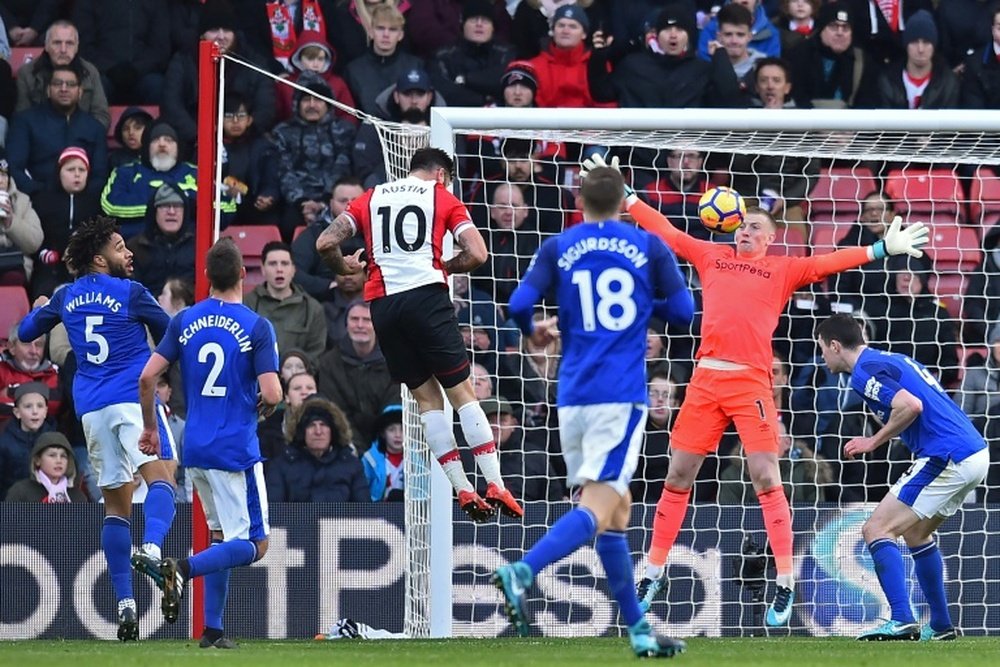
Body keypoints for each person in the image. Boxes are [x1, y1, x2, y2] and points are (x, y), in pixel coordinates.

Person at [579, 152, 930, 626]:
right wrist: (627, 196)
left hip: (751, 381)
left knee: (766, 476)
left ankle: (784, 579)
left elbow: (829, 262)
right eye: (742, 226)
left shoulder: (783, 269)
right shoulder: (713, 255)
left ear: (771, 237)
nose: (745, 231)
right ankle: (655, 570)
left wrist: (880, 250)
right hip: (705, 379)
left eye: (755, 227)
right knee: (678, 475)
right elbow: (668, 232)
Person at [492, 161, 693, 657]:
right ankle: (523, 570)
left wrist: (533, 330)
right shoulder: (647, 245)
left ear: (580, 203)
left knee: (614, 518)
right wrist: (648, 307)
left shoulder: (559, 246)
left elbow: (518, 304)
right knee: (597, 507)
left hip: (571, 397)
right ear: (626, 201)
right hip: (619, 397)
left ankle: (640, 631)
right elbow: (686, 313)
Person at [315, 146, 521, 521]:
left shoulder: (371, 198)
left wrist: (343, 268)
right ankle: (495, 484)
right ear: (442, 175)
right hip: (426, 297)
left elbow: (325, 242)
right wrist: (444, 264)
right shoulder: (442, 197)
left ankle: (461, 489)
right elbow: (477, 253)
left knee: (428, 403)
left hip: (384, 307)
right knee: (463, 394)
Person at [17, 214, 177, 642]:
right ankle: (155, 547)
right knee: (162, 482)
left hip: (92, 410)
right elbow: (170, 337)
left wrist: (40, 307)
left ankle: (125, 604)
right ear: (99, 259)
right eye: (119, 246)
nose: (128, 252)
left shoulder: (65, 296)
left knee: (115, 507)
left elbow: (27, 330)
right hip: (131, 400)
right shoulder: (131, 293)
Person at [133, 237, 282, 648]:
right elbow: (272, 394)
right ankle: (181, 568)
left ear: (205, 277)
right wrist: (263, 406)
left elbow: (147, 377)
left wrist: (150, 427)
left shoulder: (183, 321)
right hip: (235, 449)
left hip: (194, 447)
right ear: (242, 275)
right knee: (255, 543)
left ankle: (212, 631)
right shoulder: (256, 325)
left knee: (221, 536)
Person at [816, 313, 988, 641]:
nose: (822, 357)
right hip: (974, 453)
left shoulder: (863, 372)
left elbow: (910, 405)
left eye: (823, 348)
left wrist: (873, 440)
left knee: (875, 528)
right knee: (914, 534)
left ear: (836, 346)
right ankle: (940, 626)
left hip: (948, 455)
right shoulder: (889, 358)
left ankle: (902, 619)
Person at [267, 395, 370, 502]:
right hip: (299, 519)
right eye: (311, 425)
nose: (318, 432)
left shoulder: (351, 465)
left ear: (333, 430)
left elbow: (364, 513)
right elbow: (274, 511)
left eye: (323, 424)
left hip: (340, 519)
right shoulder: (282, 465)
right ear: (301, 432)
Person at [244, 240, 327, 361]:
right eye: (272, 264)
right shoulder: (246, 305)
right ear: (263, 269)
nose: (279, 269)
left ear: (293, 269)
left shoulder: (313, 309)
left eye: (285, 263)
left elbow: (317, 353)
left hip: (297, 376)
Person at [0, 381, 58, 499]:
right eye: (28, 406)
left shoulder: (56, 439)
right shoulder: (5, 442)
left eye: (40, 406)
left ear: (46, 411)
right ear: (17, 412)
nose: (35, 411)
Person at [4, 431, 88, 502]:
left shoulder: (78, 497)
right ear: (37, 460)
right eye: (52, 455)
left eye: (63, 456)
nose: (59, 461)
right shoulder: (20, 492)